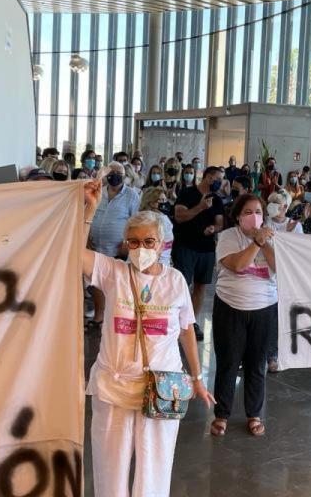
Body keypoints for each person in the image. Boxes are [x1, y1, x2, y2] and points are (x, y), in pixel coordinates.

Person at [80, 187, 215, 497]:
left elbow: (186, 331)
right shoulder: (112, 272)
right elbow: (73, 251)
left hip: (161, 388)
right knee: (109, 468)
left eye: (148, 241)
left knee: (155, 468)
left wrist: (197, 379)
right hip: (113, 388)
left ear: (162, 243)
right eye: (134, 241)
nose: (141, 248)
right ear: (126, 244)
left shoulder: (176, 280)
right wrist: (90, 210)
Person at [210, 194, 278, 437]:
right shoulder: (228, 236)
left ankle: (254, 414)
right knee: (228, 363)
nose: (254, 216)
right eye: (248, 212)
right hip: (230, 307)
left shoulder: (272, 238)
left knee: (256, 364)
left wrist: (265, 242)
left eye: (258, 211)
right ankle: (221, 414)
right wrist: (255, 243)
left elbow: (278, 266)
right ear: (238, 216)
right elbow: (237, 265)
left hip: (265, 308)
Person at [87, 163, 142, 329]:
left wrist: (128, 243)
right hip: (96, 246)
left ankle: (115, 319)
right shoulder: (99, 192)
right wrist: (87, 238)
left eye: (119, 173)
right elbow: (88, 213)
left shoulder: (132, 195)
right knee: (95, 283)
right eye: (111, 172)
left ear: (125, 176)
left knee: (116, 286)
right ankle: (99, 317)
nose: (115, 175)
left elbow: (135, 222)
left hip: (117, 249)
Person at [173, 166, 225, 341]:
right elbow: (179, 216)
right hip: (185, 245)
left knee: (201, 285)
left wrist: (214, 228)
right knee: (183, 285)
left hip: (206, 248)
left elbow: (220, 222)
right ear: (208, 177)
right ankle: (176, 321)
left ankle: (191, 322)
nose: (220, 182)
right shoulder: (187, 193)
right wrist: (200, 207)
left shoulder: (216, 199)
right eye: (218, 178)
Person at [140, 188, 175, 266]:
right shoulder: (145, 218)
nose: (164, 203)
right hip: (151, 261)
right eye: (160, 200)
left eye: (165, 200)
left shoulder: (163, 217)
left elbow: (167, 243)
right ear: (151, 202)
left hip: (163, 260)